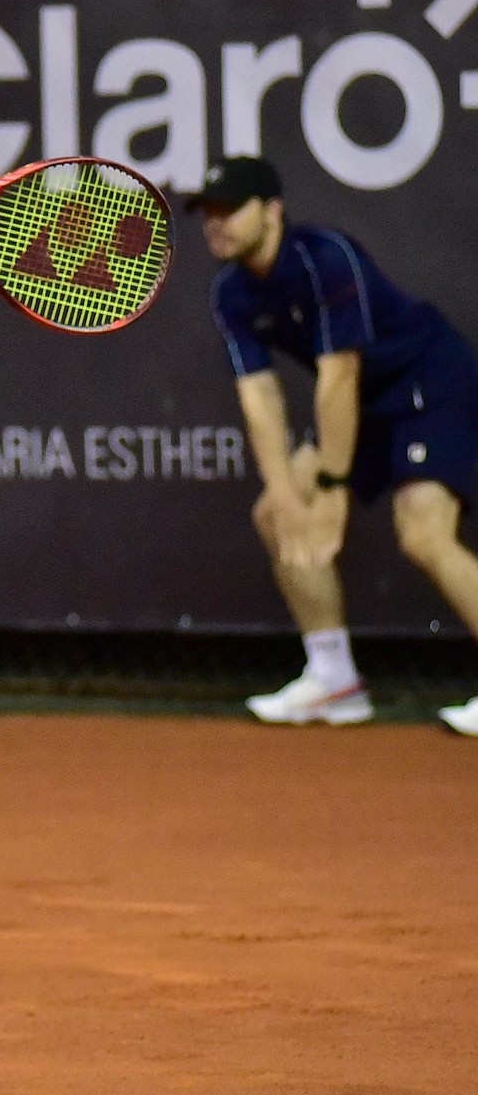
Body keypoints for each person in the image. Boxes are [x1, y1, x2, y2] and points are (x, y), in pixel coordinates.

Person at [193, 156, 478, 738]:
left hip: (426, 381)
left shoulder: (324, 258)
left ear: (272, 212)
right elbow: (261, 400)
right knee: (276, 515)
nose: (215, 223)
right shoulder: (231, 293)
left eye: (229, 210)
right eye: (208, 213)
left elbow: (338, 377)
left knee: (423, 533)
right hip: (362, 405)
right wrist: (288, 493)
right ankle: (335, 681)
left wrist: (333, 490)